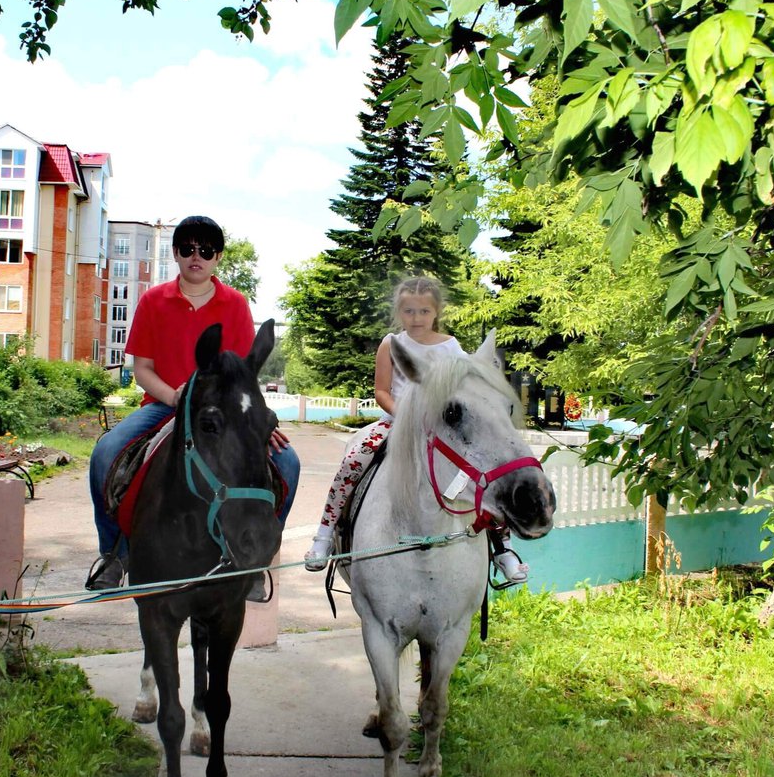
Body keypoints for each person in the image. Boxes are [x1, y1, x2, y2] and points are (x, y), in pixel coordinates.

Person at [87, 215, 300, 597]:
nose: (196, 257)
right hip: (164, 404)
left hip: (219, 416)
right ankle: (115, 553)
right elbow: (143, 369)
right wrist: (175, 397)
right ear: (176, 254)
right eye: (187, 249)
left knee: (288, 464)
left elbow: (241, 374)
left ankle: (256, 561)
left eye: (205, 250)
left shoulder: (234, 303)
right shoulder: (154, 300)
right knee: (104, 452)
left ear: (218, 256)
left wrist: (255, 424)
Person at [303, 276, 529, 583]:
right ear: (399, 312)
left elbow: (466, 390)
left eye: (423, 311)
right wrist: (406, 416)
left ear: (436, 312)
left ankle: (503, 546)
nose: (416, 318)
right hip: (398, 422)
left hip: (442, 427)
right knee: (355, 459)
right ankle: (325, 533)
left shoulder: (452, 348)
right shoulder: (392, 344)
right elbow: (382, 391)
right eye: (409, 311)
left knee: (481, 471)